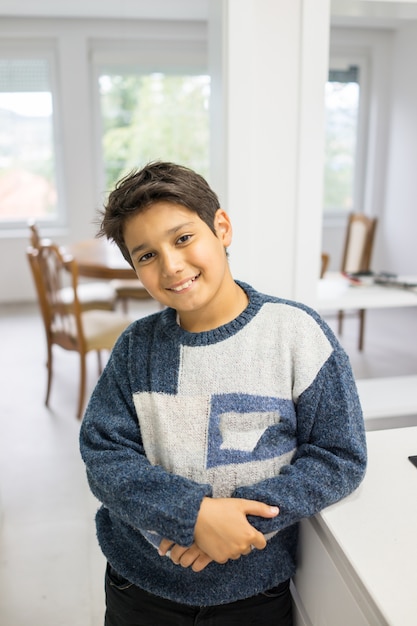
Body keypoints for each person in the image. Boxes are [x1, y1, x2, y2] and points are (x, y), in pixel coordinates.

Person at [79, 161, 367, 626]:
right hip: (140, 587)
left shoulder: (296, 334)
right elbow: (104, 455)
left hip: (254, 592)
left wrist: (235, 525)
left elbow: (338, 455)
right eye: (146, 255)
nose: (171, 265)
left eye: (183, 238)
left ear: (222, 227)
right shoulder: (136, 346)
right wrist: (192, 516)